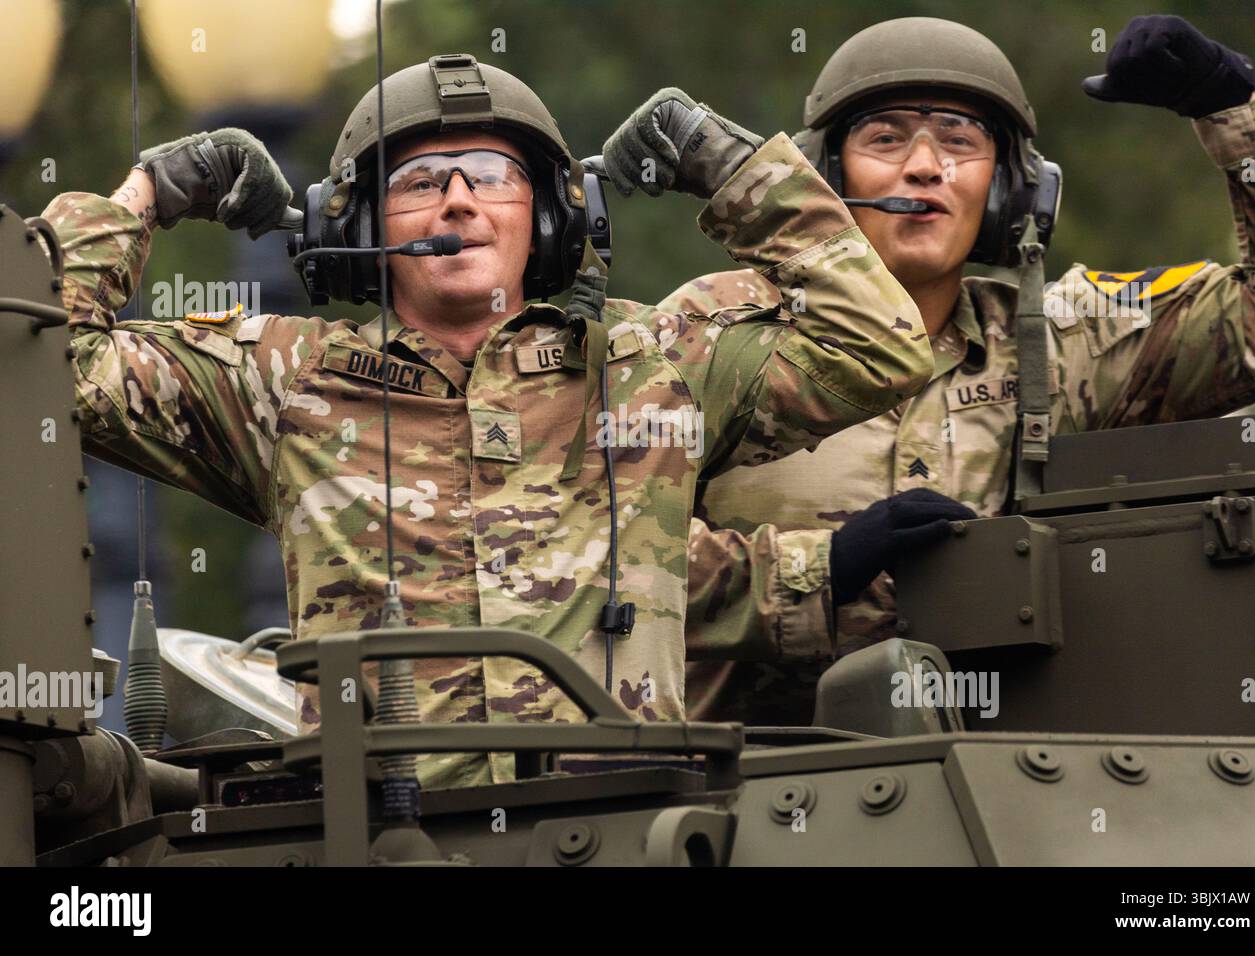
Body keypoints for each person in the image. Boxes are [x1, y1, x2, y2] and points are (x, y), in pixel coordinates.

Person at [42, 54, 932, 787]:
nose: (459, 201)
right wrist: (146, 192)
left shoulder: (652, 362)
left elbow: (879, 343)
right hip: (380, 840)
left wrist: (724, 162)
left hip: (627, 831)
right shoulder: (284, 378)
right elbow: (50, 370)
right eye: (421, 181)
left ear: (551, 218)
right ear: (354, 229)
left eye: (493, 177)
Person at [677, 15, 1255, 725]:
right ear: (823, 178)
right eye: (885, 137)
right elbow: (593, 554)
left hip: (999, 795)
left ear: (1012, 191)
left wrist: (1229, 112)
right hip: (739, 793)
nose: (923, 165)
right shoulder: (710, 335)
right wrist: (825, 570)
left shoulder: (1062, 342)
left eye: (959, 139)